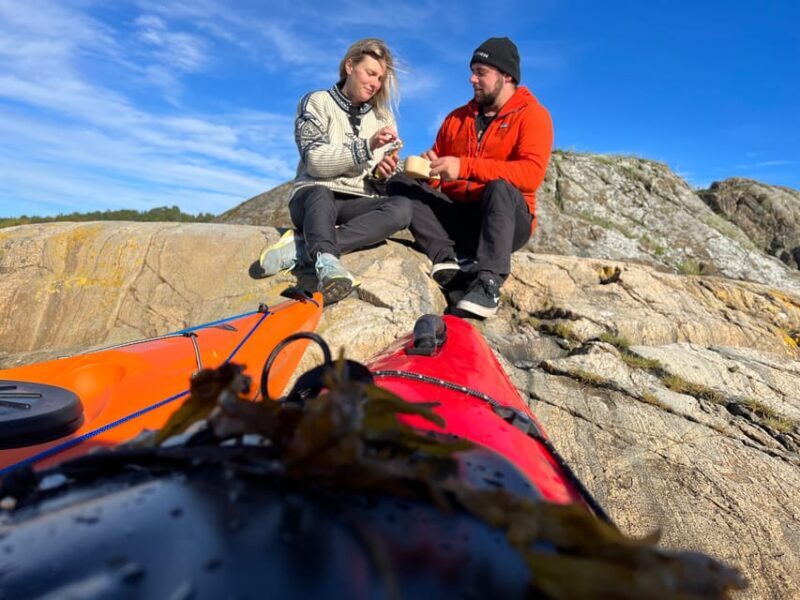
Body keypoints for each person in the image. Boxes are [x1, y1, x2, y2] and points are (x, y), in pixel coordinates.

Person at [387, 37, 553, 318]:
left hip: (505, 222)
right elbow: (442, 174)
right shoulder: (455, 118)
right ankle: (447, 260)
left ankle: (488, 282)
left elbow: (531, 175)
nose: (472, 79)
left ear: (506, 76)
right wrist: (430, 173)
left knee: (501, 187)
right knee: (399, 182)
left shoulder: (533, 116)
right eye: (472, 71)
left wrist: (464, 167)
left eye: (481, 72)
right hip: (459, 220)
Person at [256, 38, 411, 305]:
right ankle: (329, 268)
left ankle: (306, 248)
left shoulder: (384, 117)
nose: (375, 83)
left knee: (403, 208)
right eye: (370, 73)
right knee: (319, 192)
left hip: (358, 201)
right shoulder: (316, 102)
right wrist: (367, 146)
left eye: (380, 78)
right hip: (312, 197)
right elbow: (315, 163)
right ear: (350, 66)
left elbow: (379, 177)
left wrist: (383, 174)